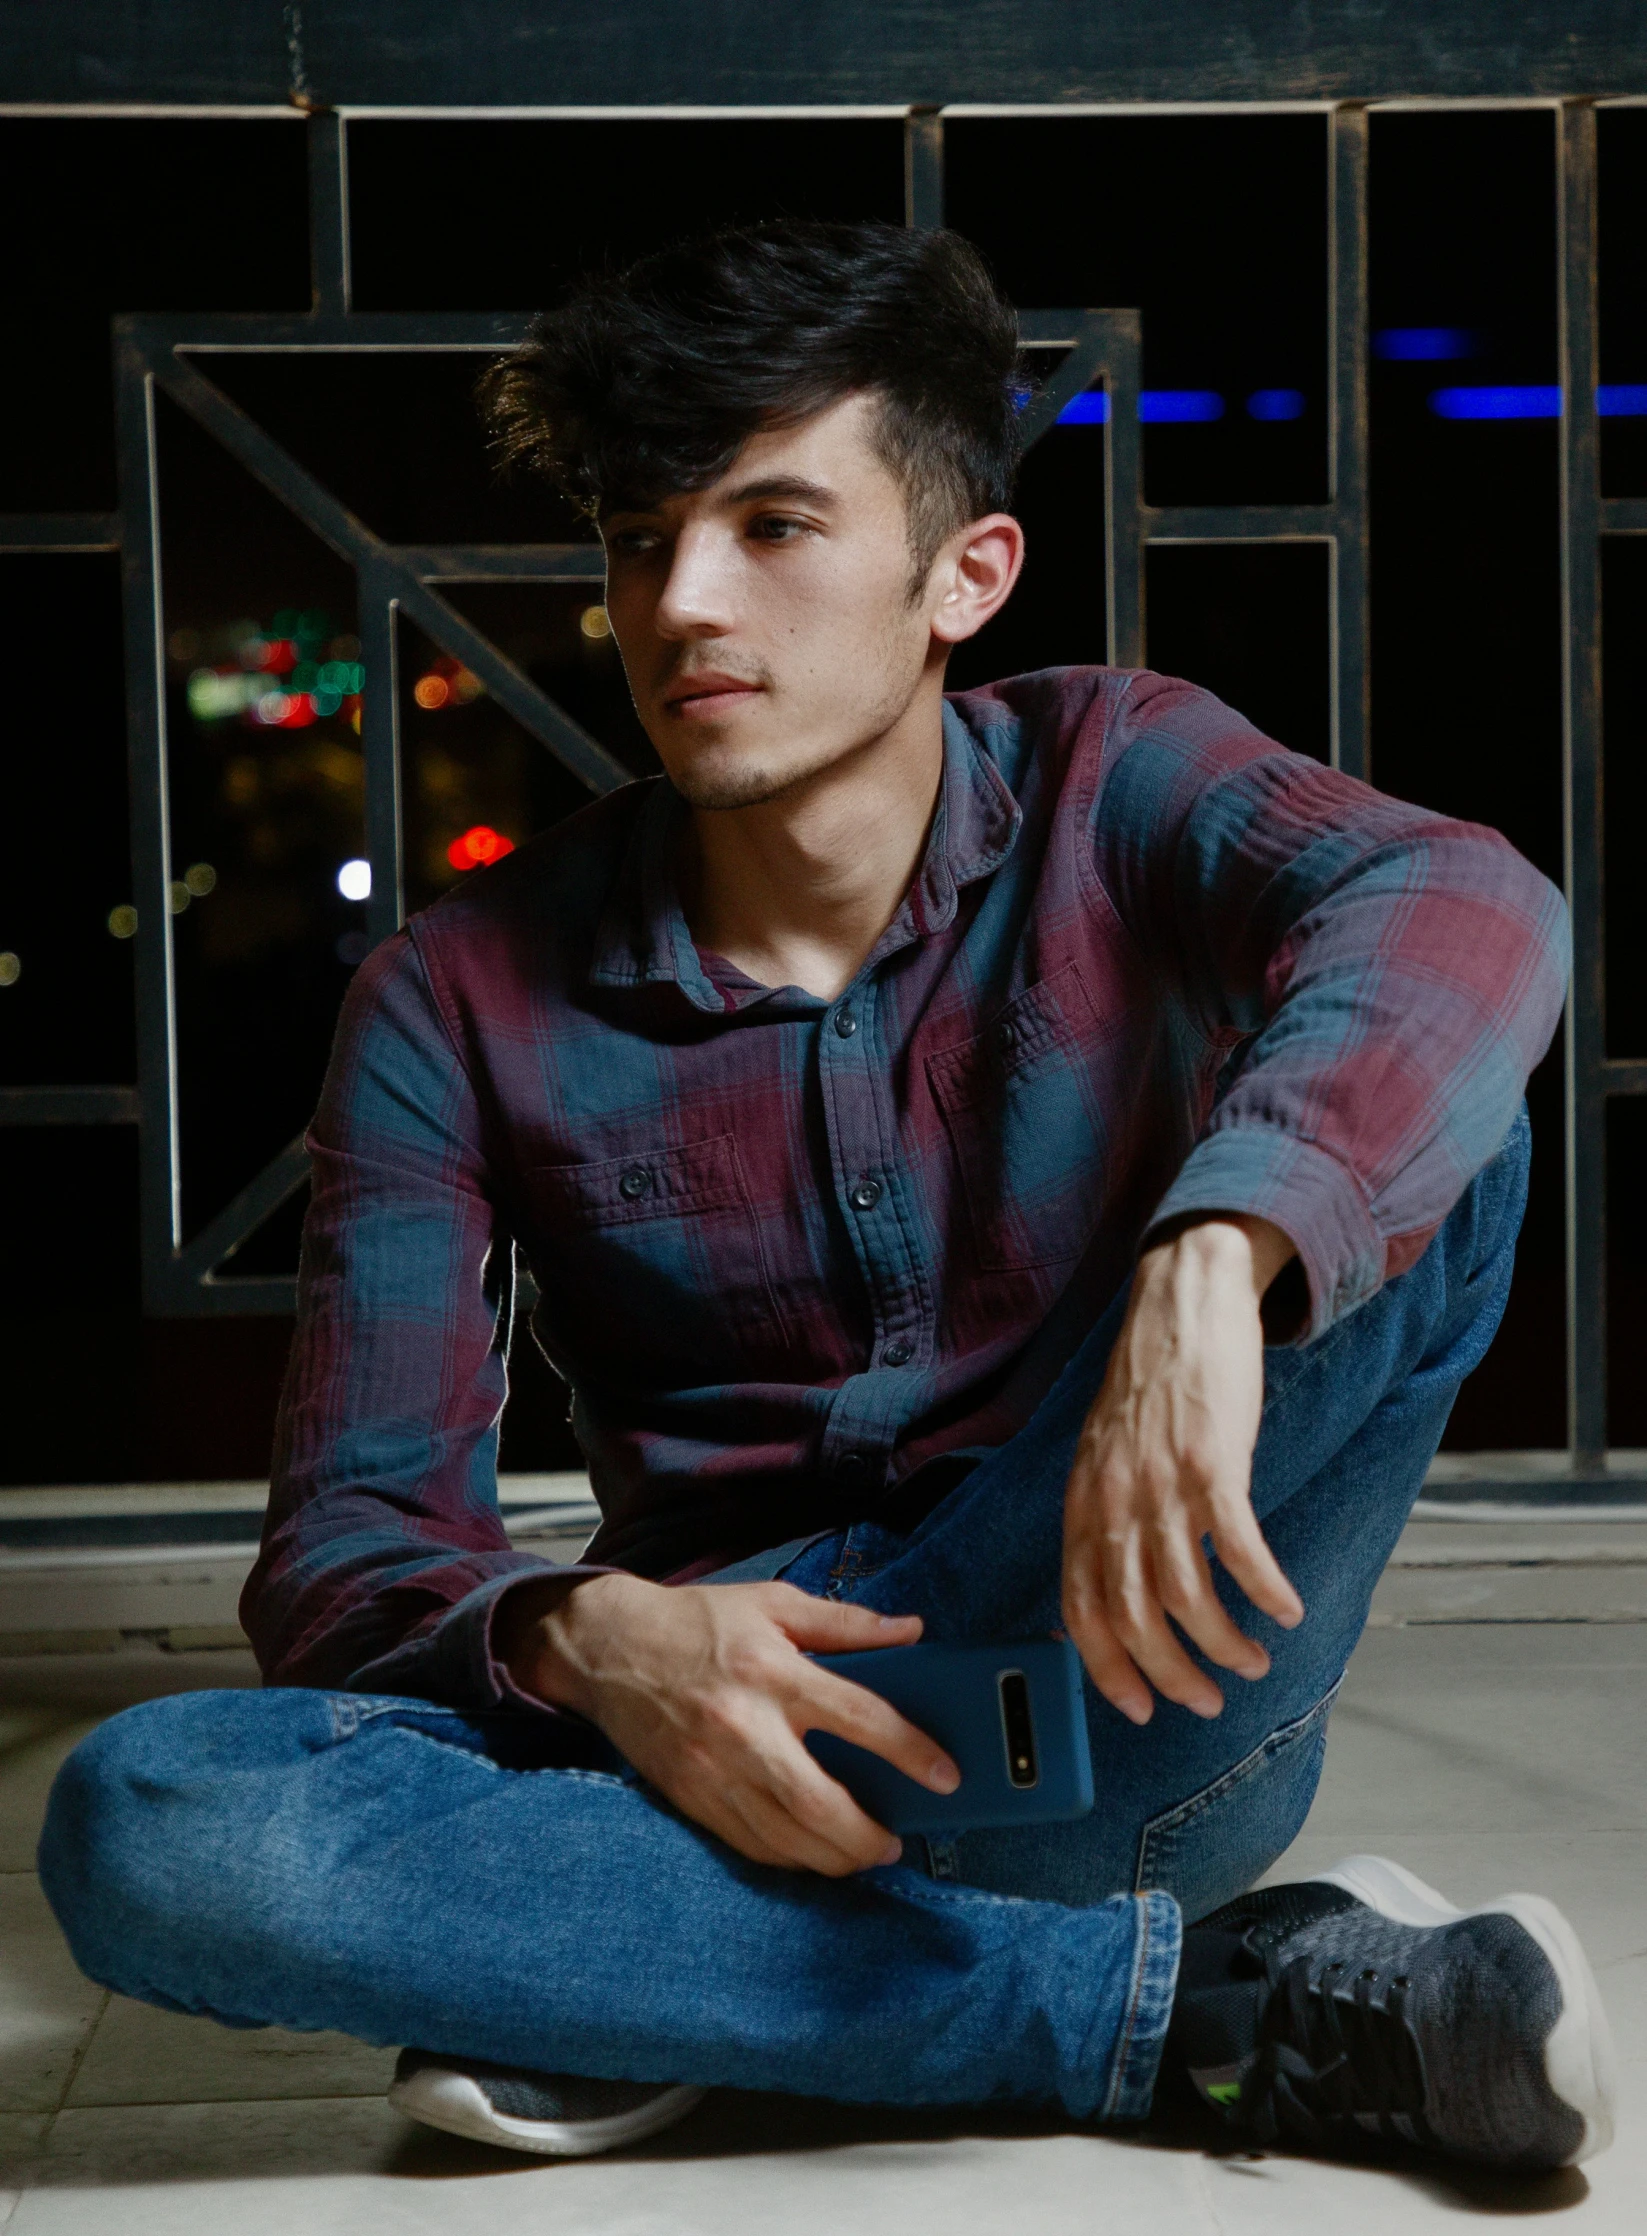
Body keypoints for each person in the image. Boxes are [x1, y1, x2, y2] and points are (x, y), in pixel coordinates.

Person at [41, 221, 1612, 2176]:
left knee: (1441, 1149)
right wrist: (589, 1637)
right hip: (726, 1735)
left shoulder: (1113, 776)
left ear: (964, 573)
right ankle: (1197, 2005)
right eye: (639, 536)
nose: (681, 601)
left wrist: (1221, 1248)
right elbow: (350, 1557)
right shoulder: (456, 990)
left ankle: (627, 1968)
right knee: (149, 1817)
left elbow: (1461, 905)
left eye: (772, 525)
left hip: (1107, 1707)